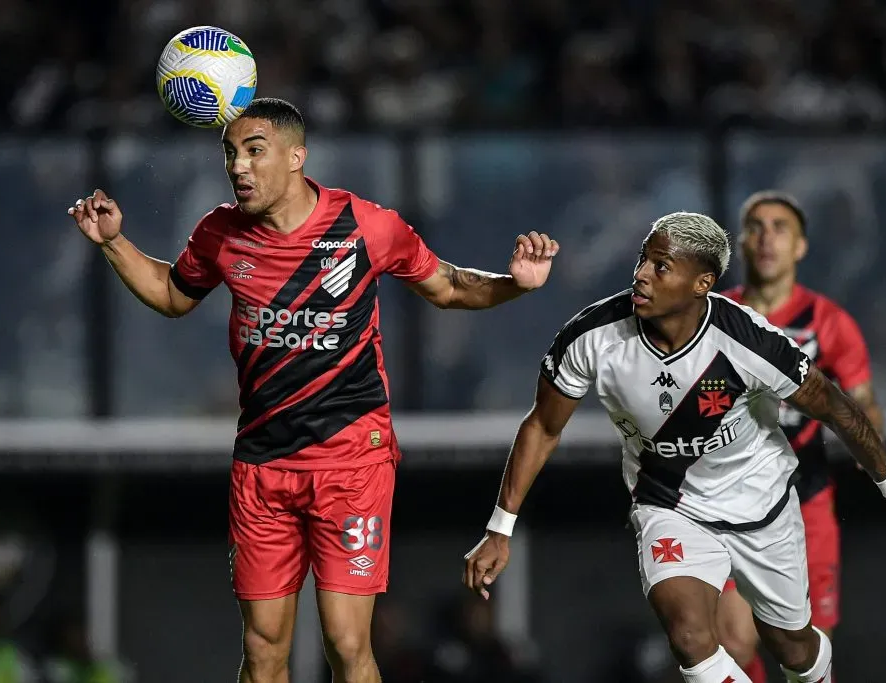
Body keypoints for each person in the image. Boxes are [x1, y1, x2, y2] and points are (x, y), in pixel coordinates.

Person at [66, 97, 559, 683]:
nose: (239, 167)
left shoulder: (366, 225)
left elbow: (448, 287)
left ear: (297, 156)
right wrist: (114, 242)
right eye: (230, 154)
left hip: (351, 459)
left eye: (254, 151)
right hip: (262, 463)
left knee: (347, 642)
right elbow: (174, 295)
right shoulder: (220, 232)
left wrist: (515, 285)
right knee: (262, 646)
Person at [462, 211, 886, 683]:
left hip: (761, 503)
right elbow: (542, 428)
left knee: (793, 648)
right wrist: (500, 528)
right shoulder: (591, 337)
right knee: (689, 635)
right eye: (642, 259)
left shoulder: (747, 340)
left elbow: (834, 406)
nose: (641, 275)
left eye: (661, 266)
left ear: (702, 283)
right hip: (668, 504)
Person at [716, 190, 884, 682]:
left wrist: (868, 438)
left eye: (780, 227)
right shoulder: (714, 315)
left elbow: (863, 398)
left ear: (801, 247)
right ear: (740, 243)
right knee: (733, 637)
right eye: (756, 227)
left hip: (805, 498)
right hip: (732, 501)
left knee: (808, 651)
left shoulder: (829, 323)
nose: (767, 238)